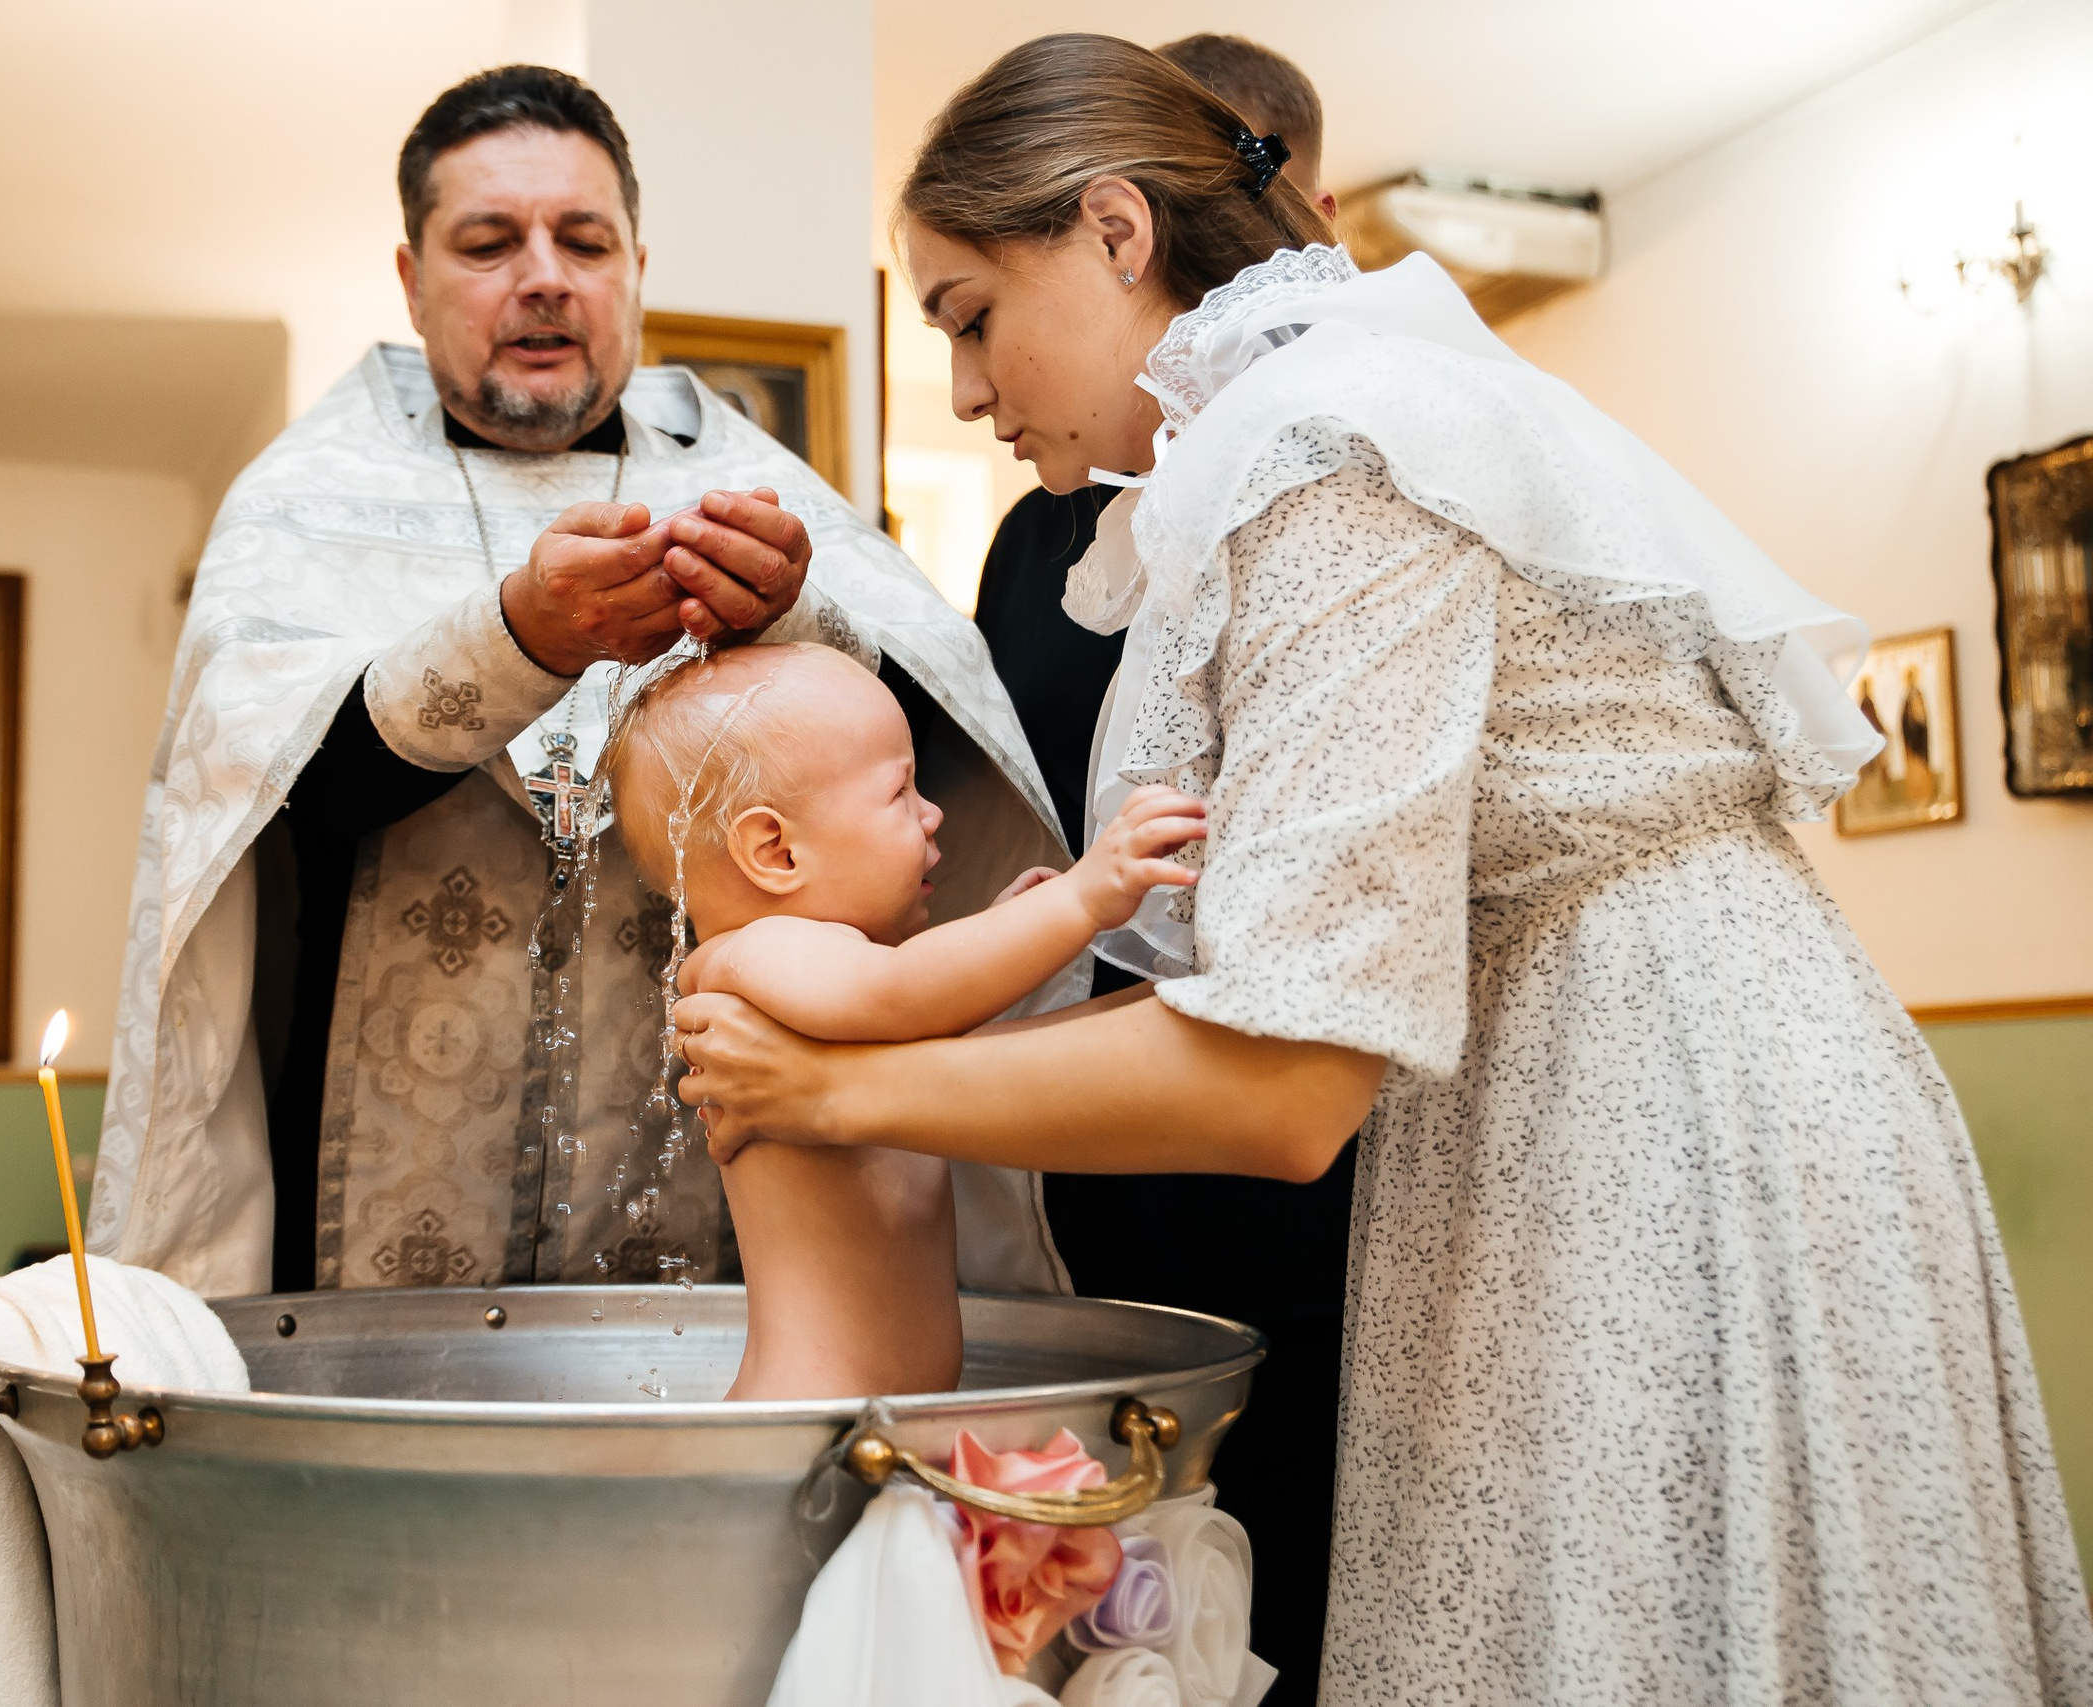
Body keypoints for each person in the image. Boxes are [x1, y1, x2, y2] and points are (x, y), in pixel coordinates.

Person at [675, 32, 2093, 1703]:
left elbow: (1281, 1083)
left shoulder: (1329, 453)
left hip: (1664, 1098)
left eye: (970, 315)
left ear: (1115, 230)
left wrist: (834, 1091)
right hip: (1555, 1078)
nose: (972, 390)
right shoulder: (1302, 429)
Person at [86, 65, 1071, 1302]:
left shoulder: (755, 481)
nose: (543, 276)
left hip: (703, 1173)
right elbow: (266, 801)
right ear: (412, 280)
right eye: (490, 242)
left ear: (634, 271)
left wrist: (794, 619)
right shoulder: (303, 498)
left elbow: (931, 760)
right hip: (366, 1200)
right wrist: (518, 640)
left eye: (583, 241)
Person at [965, 31, 1347, 1705]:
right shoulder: (1048, 533)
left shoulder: (1330, 471)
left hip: (1321, 1110)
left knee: (1326, 1561)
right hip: (1106, 1125)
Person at [598, 641, 1205, 1398]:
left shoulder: (821, 978)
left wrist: (1006, 929)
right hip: (806, 1413)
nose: (933, 812)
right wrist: (1079, 899)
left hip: (873, 1416)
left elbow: (915, 1039)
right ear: (777, 850)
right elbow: (900, 994)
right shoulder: (753, 958)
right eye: (901, 792)